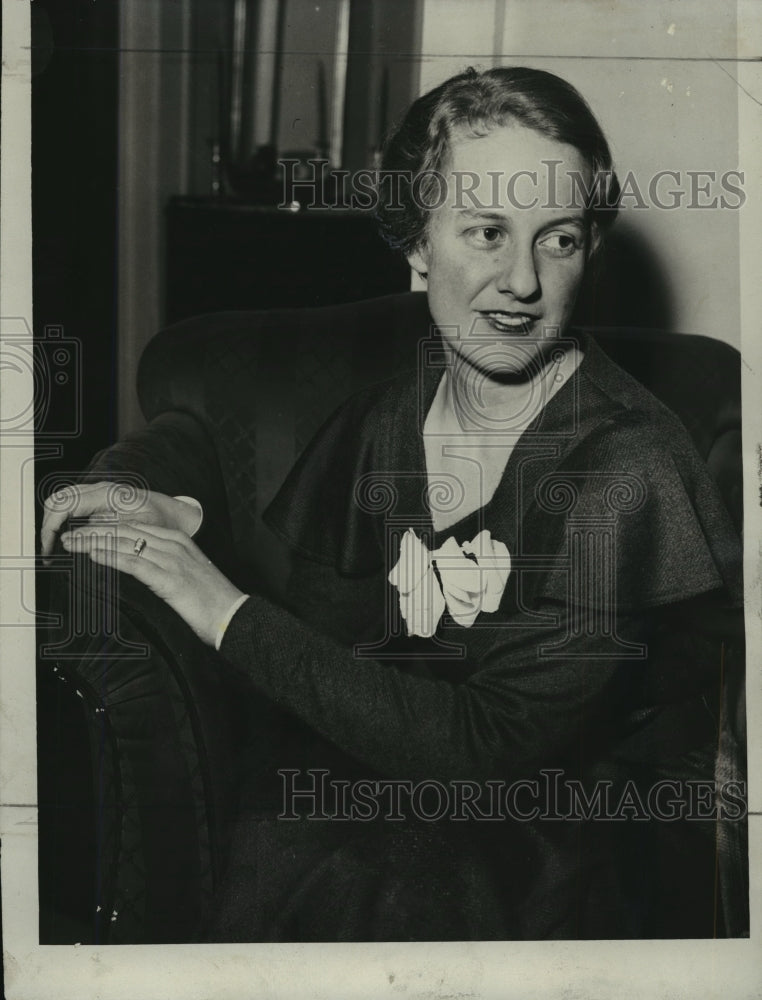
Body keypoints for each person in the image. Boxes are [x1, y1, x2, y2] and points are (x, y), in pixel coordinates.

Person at [41, 67, 745, 939]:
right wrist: (189, 524)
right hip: (400, 790)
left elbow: (493, 753)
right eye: (486, 231)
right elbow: (324, 620)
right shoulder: (390, 416)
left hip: (571, 827)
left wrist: (217, 604)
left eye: (558, 238)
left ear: (590, 249)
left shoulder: (626, 466)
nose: (521, 281)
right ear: (417, 243)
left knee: (369, 871)